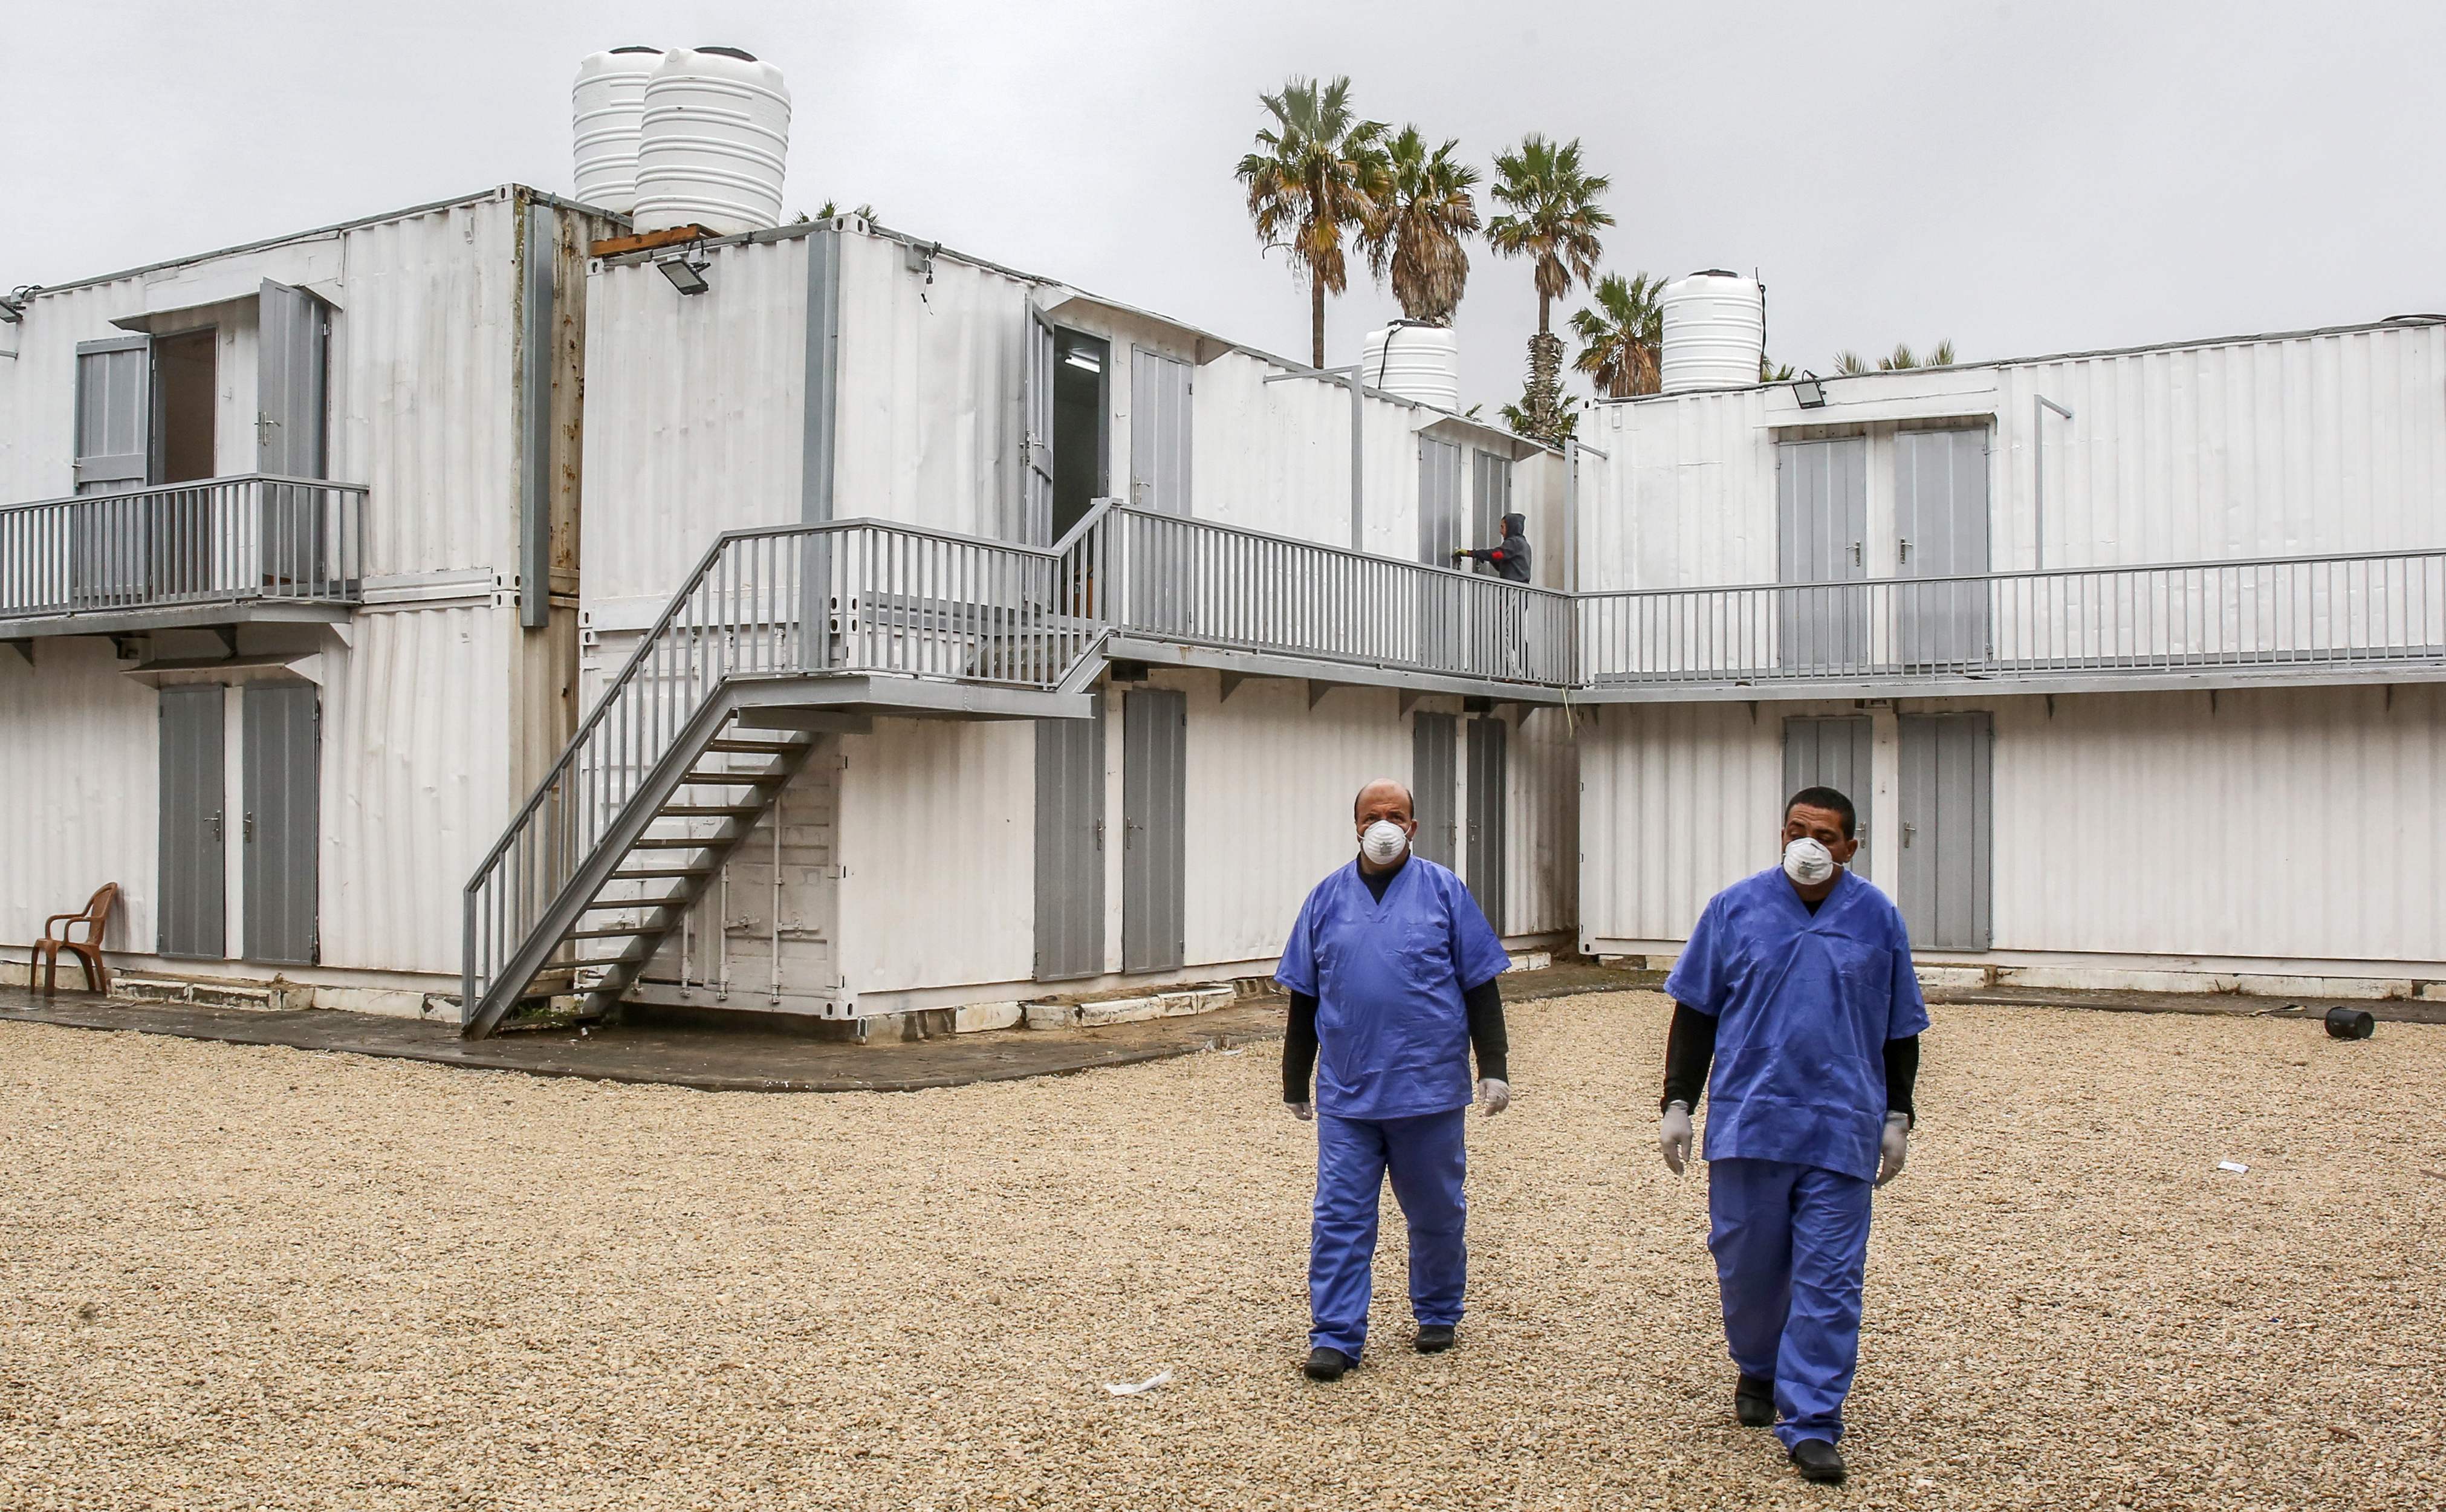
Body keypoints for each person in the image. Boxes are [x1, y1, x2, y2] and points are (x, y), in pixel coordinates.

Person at [1654, 785, 1926, 1485]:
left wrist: (1897, 1114)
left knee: (1829, 1278)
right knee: (1747, 1267)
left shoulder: (1876, 918)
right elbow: (1696, 1013)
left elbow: (1899, 1025)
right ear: (1781, 833)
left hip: (1841, 1124)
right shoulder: (1734, 908)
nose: (1809, 845)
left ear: (1851, 847)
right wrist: (1677, 1100)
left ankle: (1811, 1419)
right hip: (1751, 1120)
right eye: (1797, 830)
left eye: (1826, 835)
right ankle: (1759, 1364)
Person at [1276, 777, 1513, 1382]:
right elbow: (1305, 995)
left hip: (1426, 1089)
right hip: (1349, 1093)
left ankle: (1437, 1310)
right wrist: (1294, 1080)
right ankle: (1334, 1333)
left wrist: (1494, 1067)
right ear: (1354, 823)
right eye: (1372, 814)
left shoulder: (1444, 892)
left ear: (1414, 824)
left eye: (1396, 814)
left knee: (1435, 1210)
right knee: (1339, 1216)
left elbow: (1478, 984)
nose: (1384, 824)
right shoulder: (1325, 898)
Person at [1452, 511, 1532, 583]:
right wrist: (1486, 557)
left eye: (1502, 527)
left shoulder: (1515, 543)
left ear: (1511, 527)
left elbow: (1496, 555)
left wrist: (1471, 553)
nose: (1501, 531)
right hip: (1520, 593)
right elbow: (1501, 564)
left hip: (1514, 591)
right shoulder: (1524, 545)